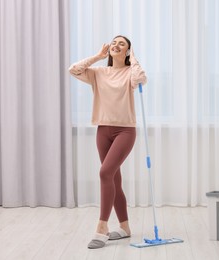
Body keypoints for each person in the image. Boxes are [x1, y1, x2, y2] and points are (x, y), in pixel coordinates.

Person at [69, 35, 147, 249]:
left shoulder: (130, 72)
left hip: (125, 131)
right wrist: (97, 56)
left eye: (122, 44)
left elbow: (140, 78)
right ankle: (125, 228)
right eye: (114, 42)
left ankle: (101, 227)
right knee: (114, 179)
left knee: (105, 173)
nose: (116, 45)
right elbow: (73, 69)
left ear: (128, 51)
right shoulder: (99, 73)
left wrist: (135, 59)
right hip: (103, 130)